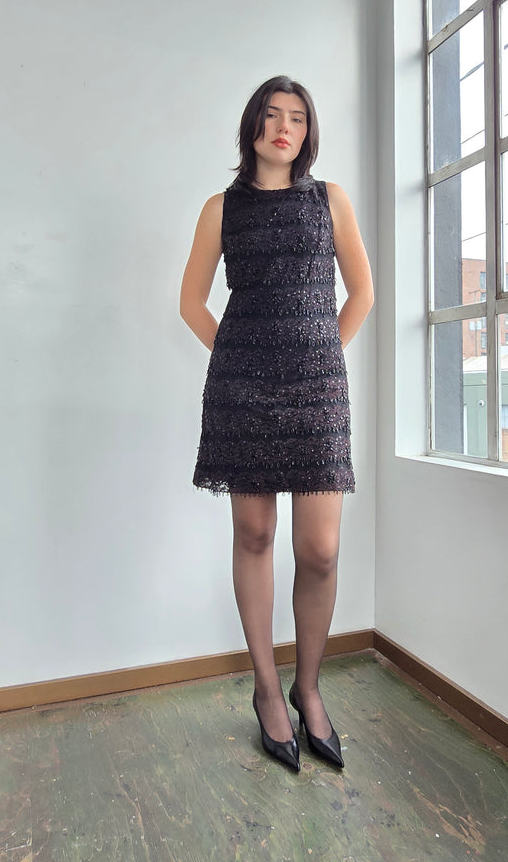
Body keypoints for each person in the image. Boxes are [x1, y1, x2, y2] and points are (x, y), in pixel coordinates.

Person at [180, 76, 373, 772]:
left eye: (296, 117)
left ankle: (308, 688)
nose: (283, 127)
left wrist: (318, 356)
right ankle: (267, 689)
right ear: (252, 126)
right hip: (244, 394)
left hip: (317, 393)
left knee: (319, 549)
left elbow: (362, 292)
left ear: (308, 132)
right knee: (255, 535)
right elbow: (191, 302)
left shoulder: (329, 200)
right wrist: (243, 361)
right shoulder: (221, 209)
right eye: (271, 115)